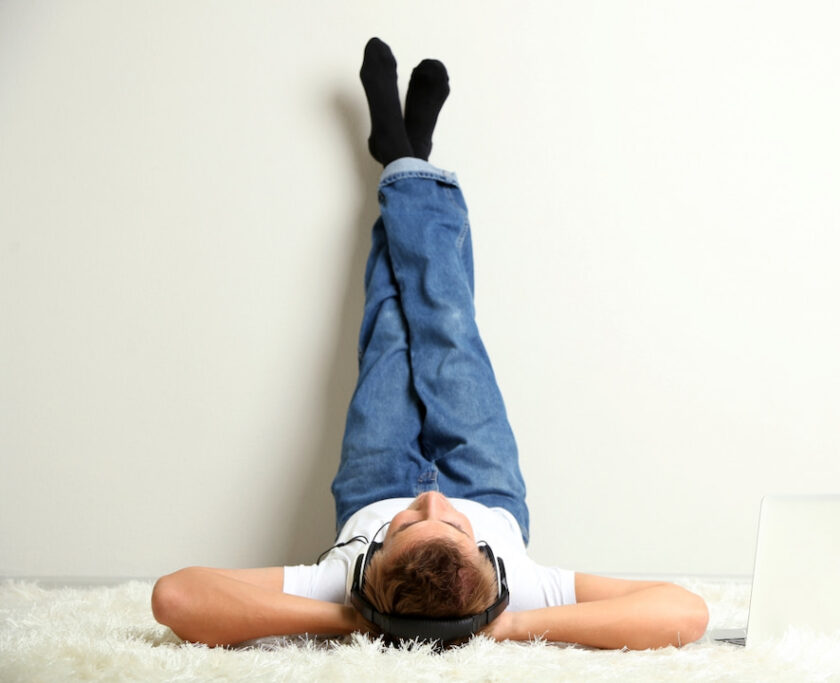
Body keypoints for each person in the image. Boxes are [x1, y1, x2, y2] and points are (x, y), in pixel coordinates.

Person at [151, 38, 709, 650]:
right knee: (447, 321)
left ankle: (401, 155)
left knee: (390, 319)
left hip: (372, 481)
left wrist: (351, 616)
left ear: (371, 567)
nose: (431, 499)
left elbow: (175, 596)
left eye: (408, 524)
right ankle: (403, 155)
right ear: (491, 570)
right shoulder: (517, 584)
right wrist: (515, 623)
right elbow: (686, 614)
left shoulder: (343, 582)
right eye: (452, 526)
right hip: (487, 483)